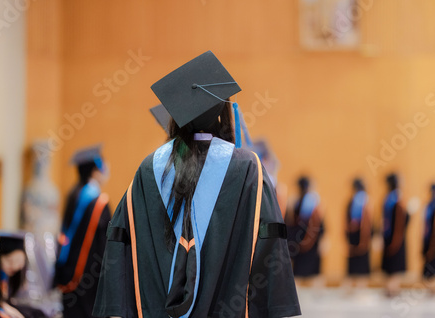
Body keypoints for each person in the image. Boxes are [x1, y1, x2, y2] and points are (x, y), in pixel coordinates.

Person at [92, 51, 300, 318]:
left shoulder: (149, 169)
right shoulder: (247, 167)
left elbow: (121, 239)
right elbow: (269, 244)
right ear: (223, 111)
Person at [54, 145, 111, 318]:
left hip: (69, 266)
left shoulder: (75, 192)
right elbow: (105, 240)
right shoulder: (97, 201)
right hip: (88, 270)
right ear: (94, 171)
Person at [0, 233, 46, 318]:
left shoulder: (3, 272)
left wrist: (8, 308)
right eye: (9, 260)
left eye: (19, 261)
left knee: (37, 313)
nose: (14, 266)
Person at [287, 176, 324, 286]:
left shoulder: (295, 202)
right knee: (311, 271)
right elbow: (320, 224)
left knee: (300, 270)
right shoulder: (314, 202)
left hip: (298, 240)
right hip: (311, 240)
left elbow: (291, 223)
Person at [381, 173, 407, 296]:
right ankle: (393, 289)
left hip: (387, 236)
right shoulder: (396, 199)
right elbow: (401, 220)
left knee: (390, 264)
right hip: (396, 237)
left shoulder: (387, 198)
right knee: (395, 264)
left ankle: (390, 288)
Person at [345, 178, 371, 290]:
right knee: (361, 263)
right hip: (363, 236)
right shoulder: (365, 200)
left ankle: (352, 288)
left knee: (354, 263)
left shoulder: (351, 201)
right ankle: (360, 288)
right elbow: (369, 221)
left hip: (353, 236)